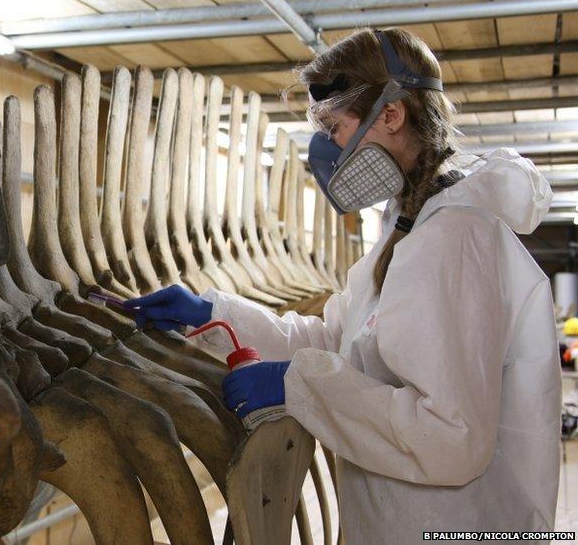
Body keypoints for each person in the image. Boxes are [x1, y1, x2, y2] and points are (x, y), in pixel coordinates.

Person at [126, 27, 560, 543]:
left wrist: (298, 385)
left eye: (334, 127)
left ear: (393, 115)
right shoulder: (407, 226)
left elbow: (450, 435)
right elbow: (338, 341)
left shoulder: (454, 237)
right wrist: (215, 316)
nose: (327, 148)